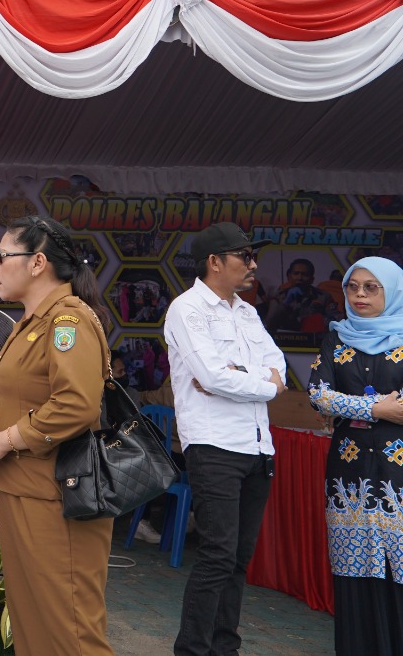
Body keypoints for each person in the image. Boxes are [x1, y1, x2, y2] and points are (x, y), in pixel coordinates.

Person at [0, 214, 114, 656]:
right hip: (23, 491)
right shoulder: (31, 322)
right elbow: (34, 394)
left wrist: (5, 440)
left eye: (4, 256)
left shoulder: (68, 323)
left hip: (58, 498)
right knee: (32, 626)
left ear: (37, 263)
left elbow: (76, 404)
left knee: (71, 631)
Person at [163, 222, 286, 656]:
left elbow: (280, 367)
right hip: (214, 446)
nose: (253, 265)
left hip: (257, 446)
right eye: (244, 256)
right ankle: (193, 650)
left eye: (252, 256)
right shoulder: (187, 309)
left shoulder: (247, 311)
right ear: (214, 262)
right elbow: (212, 377)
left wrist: (244, 378)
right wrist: (263, 383)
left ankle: (224, 648)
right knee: (217, 556)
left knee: (237, 559)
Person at [308, 257, 403, 654]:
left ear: (393, 291)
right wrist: (376, 409)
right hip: (348, 476)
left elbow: (333, 400)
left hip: (398, 477)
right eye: (353, 287)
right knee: (353, 568)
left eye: (371, 287)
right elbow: (318, 395)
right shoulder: (336, 338)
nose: (360, 295)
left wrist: (344, 405)